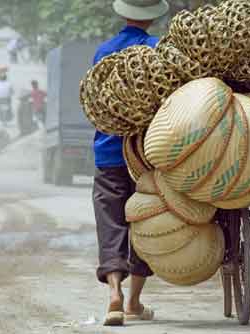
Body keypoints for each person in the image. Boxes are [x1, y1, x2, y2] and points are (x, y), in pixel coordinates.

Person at [90, 0, 169, 327]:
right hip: (149, 155)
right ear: (153, 17)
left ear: (123, 13)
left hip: (108, 153)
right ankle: (134, 299)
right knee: (145, 223)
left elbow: (96, 100)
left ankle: (114, 297)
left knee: (112, 224)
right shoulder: (159, 50)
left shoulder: (104, 52)